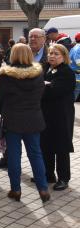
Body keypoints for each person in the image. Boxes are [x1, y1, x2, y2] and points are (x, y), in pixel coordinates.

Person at [0, 44, 50, 203]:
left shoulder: (6, 75)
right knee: (36, 154)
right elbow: (40, 95)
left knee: (13, 155)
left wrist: (1, 110)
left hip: (13, 120)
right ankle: (43, 189)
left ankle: (16, 190)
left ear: (13, 55)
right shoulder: (38, 73)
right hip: (34, 119)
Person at [41, 44, 76, 191]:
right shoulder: (46, 69)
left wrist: (44, 86)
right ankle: (48, 174)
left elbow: (54, 92)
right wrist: (45, 85)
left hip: (62, 115)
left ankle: (63, 178)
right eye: (50, 53)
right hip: (46, 114)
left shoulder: (66, 72)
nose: (52, 56)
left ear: (64, 56)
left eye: (56, 54)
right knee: (46, 144)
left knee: (61, 147)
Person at [69, 33, 80, 101]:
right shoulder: (78, 48)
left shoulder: (74, 48)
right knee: (72, 99)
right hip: (77, 77)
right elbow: (78, 61)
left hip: (73, 75)